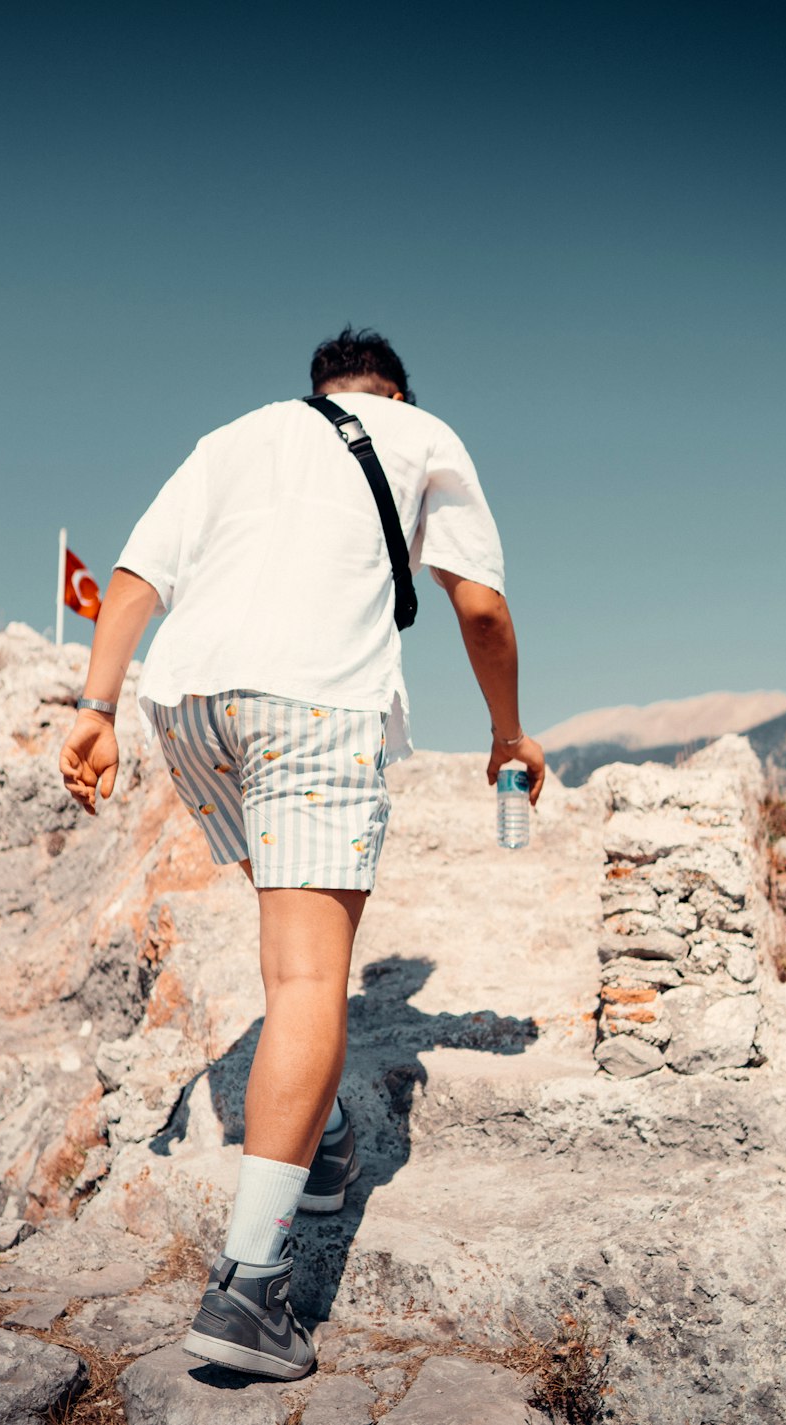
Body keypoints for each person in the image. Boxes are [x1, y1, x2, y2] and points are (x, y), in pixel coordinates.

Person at [58, 327, 545, 1380]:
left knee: (291, 949)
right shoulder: (420, 437)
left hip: (189, 702)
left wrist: (95, 706)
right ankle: (249, 1289)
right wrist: (508, 732)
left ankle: (317, 1144)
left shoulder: (240, 435)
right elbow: (482, 607)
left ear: (319, 392)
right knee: (312, 976)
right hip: (311, 700)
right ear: (396, 398)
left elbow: (138, 571)